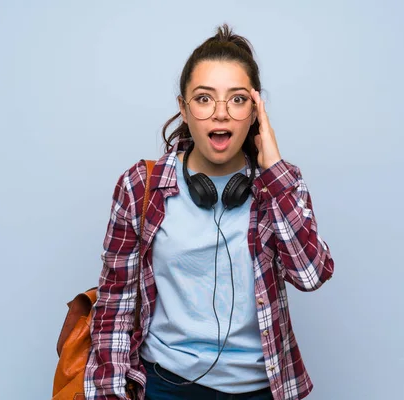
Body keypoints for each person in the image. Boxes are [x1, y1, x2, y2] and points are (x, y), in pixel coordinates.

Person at [84, 24, 334, 400]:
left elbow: (311, 274)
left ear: (256, 111)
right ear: (183, 109)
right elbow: (115, 305)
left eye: (237, 100)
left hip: (258, 390)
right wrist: (108, 393)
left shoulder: (281, 184)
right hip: (165, 387)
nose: (220, 114)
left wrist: (274, 170)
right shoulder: (142, 185)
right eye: (204, 99)